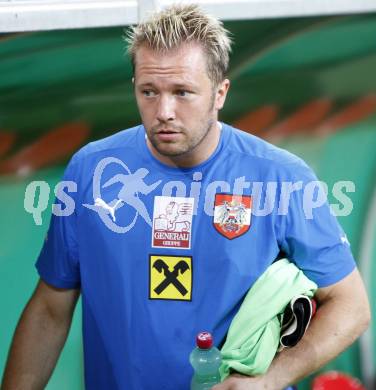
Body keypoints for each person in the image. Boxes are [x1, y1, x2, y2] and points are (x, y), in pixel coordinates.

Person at [1, 4, 370, 390]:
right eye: (149, 91)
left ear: (220, 92)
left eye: (182, 92)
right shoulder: (92, 171)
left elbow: (351, 306)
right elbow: (49, 309)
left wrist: (270, 379)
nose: (164, 111)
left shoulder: (282, 178)